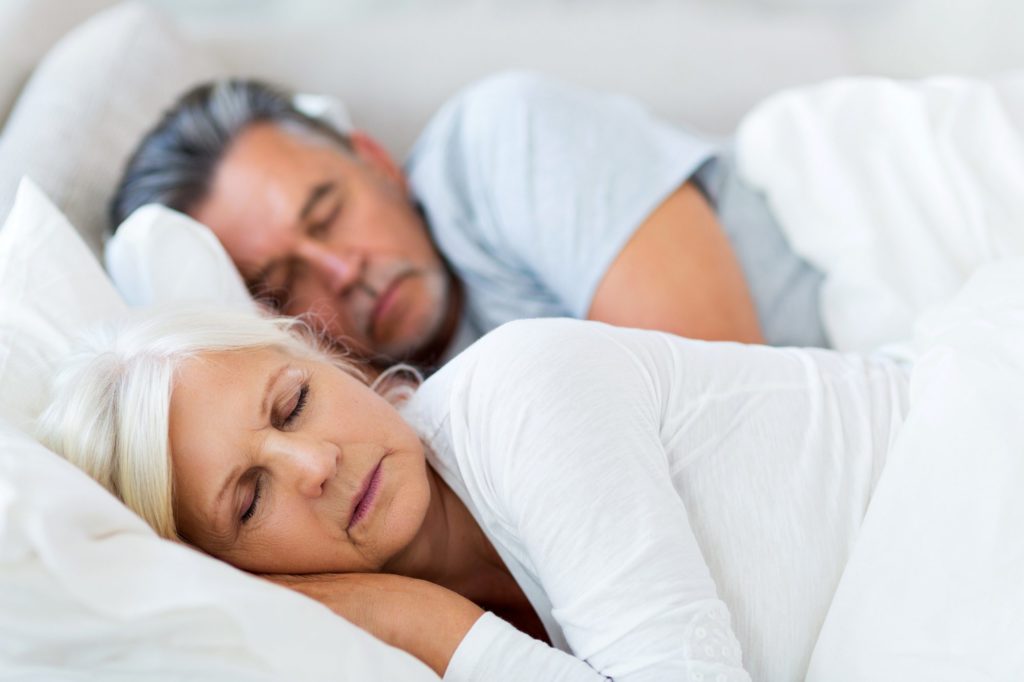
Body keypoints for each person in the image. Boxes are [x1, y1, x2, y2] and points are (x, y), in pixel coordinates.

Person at [37, 308, 907, 680]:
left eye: (293, 402)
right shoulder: (348, 656)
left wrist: (431, 626)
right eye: (249, 499)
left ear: (328, 357)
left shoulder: (524, 393)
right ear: (235, 571)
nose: (312, 467)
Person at [109, 72, 828, 370]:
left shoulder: (504, 137)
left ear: (376, 162)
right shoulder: (379, 432)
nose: (341, 270)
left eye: (328, 212)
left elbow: (734, 403)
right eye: (283, 284)